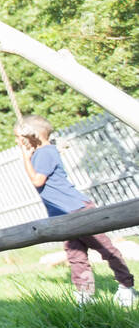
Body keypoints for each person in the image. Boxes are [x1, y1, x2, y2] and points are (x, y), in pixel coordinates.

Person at [15, 114, 135, 308]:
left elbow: (37, 180)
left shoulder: (45, 153)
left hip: (77, 210)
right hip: (63, 214)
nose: (17, 142)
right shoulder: (43, 152)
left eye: (18, 138)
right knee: (76, 256)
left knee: (105, 249)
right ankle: (84, 295)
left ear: (30, 136)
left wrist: (24, 156)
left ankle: (126, 286)